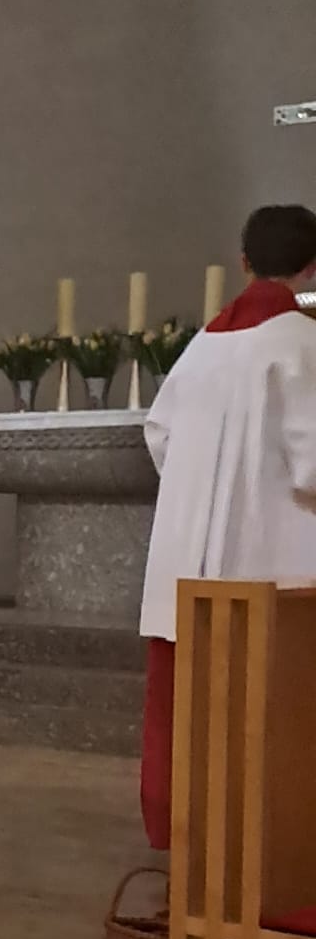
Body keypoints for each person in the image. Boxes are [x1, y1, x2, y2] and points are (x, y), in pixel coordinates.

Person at [139, 204, 316, 851]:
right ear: (312, 266)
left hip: (186, 561)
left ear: (243, 263)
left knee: (193, 708)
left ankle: (197, 849)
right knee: (274, 711)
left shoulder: (202, 346)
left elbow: (159, 435)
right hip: (272, 559)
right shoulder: (303, 343)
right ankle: (273, 856)